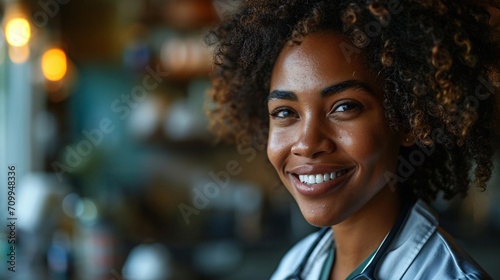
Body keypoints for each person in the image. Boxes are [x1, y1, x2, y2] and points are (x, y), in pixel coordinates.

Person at [206, 0, 500, 279]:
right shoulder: (296, 265)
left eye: (344, 107)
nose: (307, 144)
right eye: (285, 112)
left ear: (409, 121)